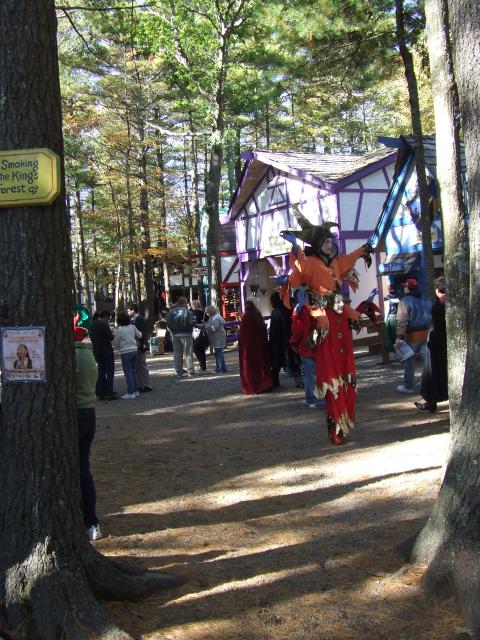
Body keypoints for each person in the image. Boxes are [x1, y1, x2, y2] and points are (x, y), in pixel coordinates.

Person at [280, 205, 373, 445]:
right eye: (326, 241)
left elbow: (350, 259)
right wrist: (295, 247)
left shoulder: (336, 263)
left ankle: (345, 420)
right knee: (331, 377)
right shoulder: (310, 262)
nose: (330, 244)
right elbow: (299, 268)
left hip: (340, 320)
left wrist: (364, 249)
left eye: (331, 241)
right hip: (325, 323)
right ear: (317, 244)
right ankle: (335, 428)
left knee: (347, 376)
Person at [74, 323, 102, 541]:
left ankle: (88, 520)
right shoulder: (87, 354)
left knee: (80, 470)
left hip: (76, 413)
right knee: (84, 468)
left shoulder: (72, 357)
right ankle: (92, 522)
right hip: (88, 412)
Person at [415, 276, 448, 412]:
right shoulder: (452, 303)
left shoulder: (438, 306)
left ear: (437, 290)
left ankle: (431, 402)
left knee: (431, 374)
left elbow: (435, 328)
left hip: (436, 345)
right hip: (444, 343)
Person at [394, 277, 432, 394]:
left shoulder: (404, 301)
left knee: (409, 361)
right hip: (426, 334)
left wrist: (399, 336)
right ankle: (428, 383)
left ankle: (408, 386)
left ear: (407, 288)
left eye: (405, 286)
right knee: (427, 361)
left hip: (412, 336)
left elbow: (402, 320)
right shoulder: (426, 299)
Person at [289, 289, 323, 408]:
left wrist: (294, 342)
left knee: (310, 375)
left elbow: (298, 329)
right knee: (317, 374)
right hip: (316, 346)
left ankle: (311, 398)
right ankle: (315, 398)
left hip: (307, 347)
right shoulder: (316, 310)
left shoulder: (301, 311)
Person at [238, 300, 273, 395]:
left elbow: (244, 335)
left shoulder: (247, 317)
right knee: (261, 366)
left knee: (252, 368)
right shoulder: (258, 315)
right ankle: (265, 384)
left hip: (250, 349)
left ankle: (253, 387)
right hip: (260, 347)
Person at [269, 291, 302, 388]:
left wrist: (272, 343)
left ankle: (275, 382)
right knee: (293, 363)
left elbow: (273, 330)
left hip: (279, 342)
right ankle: (299, 381)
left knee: (277, 364)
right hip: (288, 339)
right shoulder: (288, 310)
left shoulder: (275, 313)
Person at [113, 312, 142, 399]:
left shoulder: (119, 330)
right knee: (134, 371)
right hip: (134, 350)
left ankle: (131, 392)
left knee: (128, 372)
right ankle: (136, 391)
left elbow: (116, 342)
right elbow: (140, 335)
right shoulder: (132, 327)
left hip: (125, 352)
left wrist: (120, 346)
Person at [89, 310, 117, 400]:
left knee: (101, 371)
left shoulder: (92, 325)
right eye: (108, 318)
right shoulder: (104, 324)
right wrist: (112, 333)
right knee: (110, 372)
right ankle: (110, 392)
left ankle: (101, 392)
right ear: (105, 316)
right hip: (107, 351)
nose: (108, 319)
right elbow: (110, 337)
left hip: (97, 351)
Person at [166, 297, 197, 377]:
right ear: (184, 303)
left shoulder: (171, 312)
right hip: (186, 334)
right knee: (188, 353)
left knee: (177, 354)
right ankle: (191, 371)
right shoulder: (188, 311)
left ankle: (179, 372)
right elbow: (192, 322)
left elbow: (168, 323)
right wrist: (194, 324)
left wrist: (173, 331)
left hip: (175, 335)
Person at [126, 303, 152, 393]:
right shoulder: (132, 320)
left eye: (128, 311)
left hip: (140, 345)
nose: (128, 313)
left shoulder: (140, 319)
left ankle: (147, 385)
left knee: (142, 365)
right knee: (137, 366)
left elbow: (142, 334)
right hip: (135, 346)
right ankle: (140, 385)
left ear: (133, 310)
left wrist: (143, 345)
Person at [205, 304, 227, 373]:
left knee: (218, 354)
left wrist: (206, 326)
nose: (207, 314)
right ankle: (223, 368)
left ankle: (219, 369)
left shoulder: (216, 318)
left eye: (207, 312)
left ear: (210, 311)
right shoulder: (213, 317)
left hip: (218, 338)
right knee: (219, 354)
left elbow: (214, 328)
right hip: (216, 338)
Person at [191, 300, 208, 371]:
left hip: (200, 331)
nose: (193, 305)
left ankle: (203, 366)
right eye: (193, 304)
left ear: (198, 304)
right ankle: (202, 365)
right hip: (193, 331)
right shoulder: (191, 311)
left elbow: (206, 321)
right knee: (196, 349)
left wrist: (201, 324)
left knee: (200, 348)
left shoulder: (201, 312)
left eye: (195, 304)